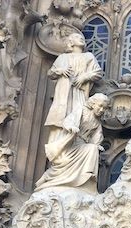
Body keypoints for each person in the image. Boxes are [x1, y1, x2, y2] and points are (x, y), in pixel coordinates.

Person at [43, 33, 103, 162]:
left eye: (82, 37)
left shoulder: (88, 57)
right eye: (76, 37)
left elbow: (98, 72)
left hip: (80, 92)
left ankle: (75, 151)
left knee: (79, 118)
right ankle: (59, 154)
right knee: (61, 119)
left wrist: (85, 76)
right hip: (63, 94)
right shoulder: (63, 57)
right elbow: (51, 73)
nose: (81, 38)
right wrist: (59, 71)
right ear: (70, 42)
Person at [35, 93, 109, 192]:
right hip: (72, 142)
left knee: (92, 149)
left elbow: (97, 136)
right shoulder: (82, 110)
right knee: (63, 162)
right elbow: (69, 120)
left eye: (104, 108)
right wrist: (71, 126)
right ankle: (47, 177)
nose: (101, 110)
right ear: (93, 104)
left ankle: (85, 178)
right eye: (100, 106)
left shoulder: (97, 122)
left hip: (83, 144)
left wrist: (97, 145)